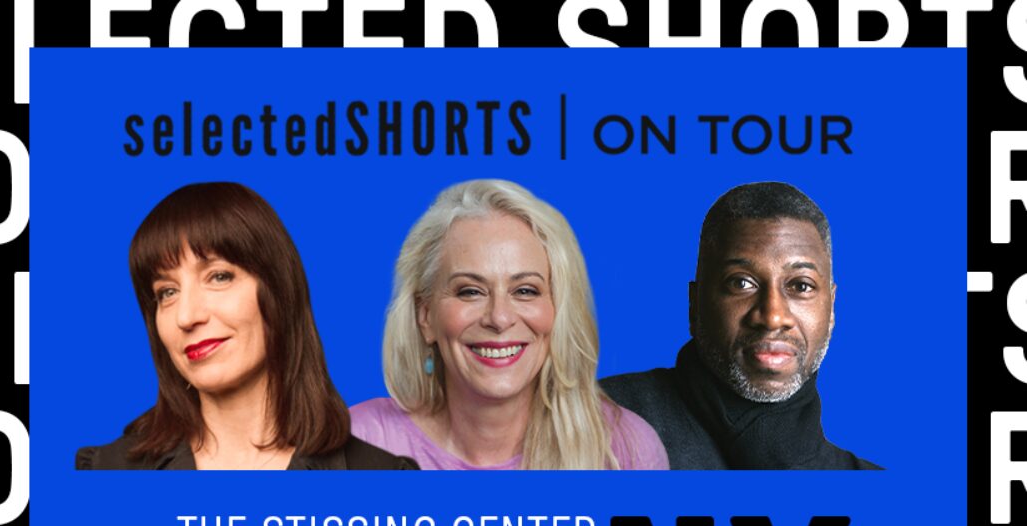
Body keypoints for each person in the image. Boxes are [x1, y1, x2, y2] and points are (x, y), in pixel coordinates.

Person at [76, 182, 417, 470]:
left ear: (277, 290)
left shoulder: (379, 477)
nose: (186, 316)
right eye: (167, 292)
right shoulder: (109, 471)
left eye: (219, 276)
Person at [350, 179, 668, 470]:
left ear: (559, 310)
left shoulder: (626, 451)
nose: (500, 318)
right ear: (425, 317)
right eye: (470, 291)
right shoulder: (358, 443)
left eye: (525, 291)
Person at [601, 181, 879, 470]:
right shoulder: (590, 422)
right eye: (741, 283)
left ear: (831, 308)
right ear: (695, 304)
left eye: (801, 285)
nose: (772, 316)